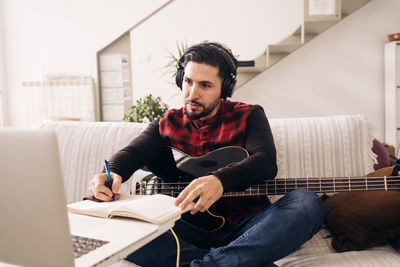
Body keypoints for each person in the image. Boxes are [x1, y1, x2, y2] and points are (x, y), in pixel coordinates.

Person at [88, 41, 325, 266]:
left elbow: (265, 162)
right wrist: (110, 174)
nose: (193, 93)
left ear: (225, 88)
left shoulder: (249, 115)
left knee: (307, 204)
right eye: (188, 81)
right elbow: (130, 155)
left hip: (249, 227)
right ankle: (238, 261)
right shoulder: (167, 123)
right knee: (119, 229)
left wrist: (219, 181)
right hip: (187, 230)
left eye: (205, 85)